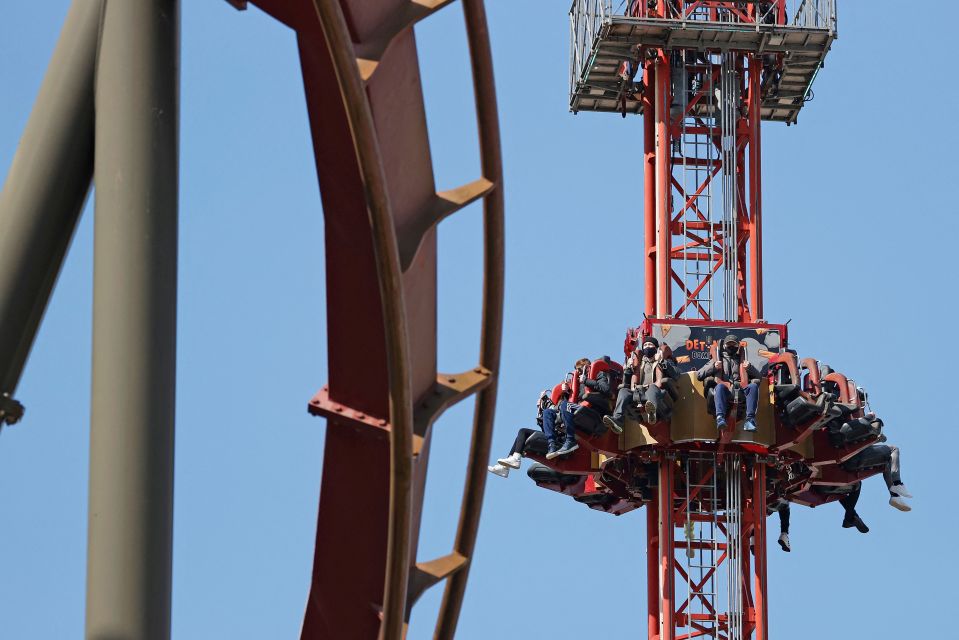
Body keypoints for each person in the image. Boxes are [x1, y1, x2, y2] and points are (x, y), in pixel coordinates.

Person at [697, 334, 761, 432]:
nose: (731, 347)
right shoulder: (718, 360)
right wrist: (714, 366)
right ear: (724, 346)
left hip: (740, 390)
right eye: (729, 345)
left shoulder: (742, 361)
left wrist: (749, 368)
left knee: (753, 386)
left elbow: (758, 377)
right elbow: (699, 375)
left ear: (737, 347)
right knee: (719, 387)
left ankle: (750, 420)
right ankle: (720, 418)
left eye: (734, 345)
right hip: (725, 391)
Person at [604, 337, 666, 434]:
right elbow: (629, 379)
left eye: (650, 345)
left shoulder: (662, 360)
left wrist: (662, 361)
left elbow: (674, 374)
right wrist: (628, 369)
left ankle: (652, 412)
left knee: (652, 388)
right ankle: (617, 420)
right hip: (639, 391)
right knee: (623, 391)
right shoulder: (640, 363)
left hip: (656, 392)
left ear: (656, 348)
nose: (647, 347)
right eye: (645, 345)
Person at [488, 390, 553, 478]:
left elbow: (553, 412)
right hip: (550, 435)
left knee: (523, 431)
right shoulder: (547, 413)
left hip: (555, 439)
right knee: (521, 436)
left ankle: (515, 459)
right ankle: (505, 468)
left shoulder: (554, 409)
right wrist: (541, 407)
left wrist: (544, 400)